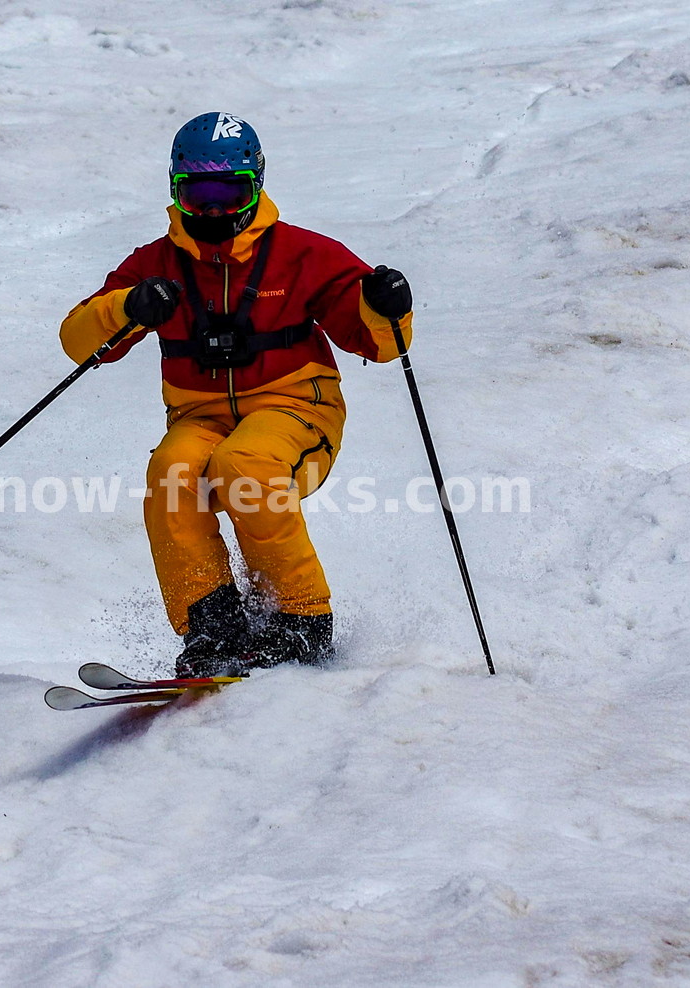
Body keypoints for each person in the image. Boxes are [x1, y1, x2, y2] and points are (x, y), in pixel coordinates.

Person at [60, 111, 413, 678]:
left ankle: (300, 622)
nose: (215, 209)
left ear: (257, 184)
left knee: (244, 463)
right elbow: (78, 342)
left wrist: (384, 305)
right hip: (199, 416)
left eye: (230, 192)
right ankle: (214, 629)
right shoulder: (156, 264)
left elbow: (382, 344)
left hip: (298, 411)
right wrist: (126, 307)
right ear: (176, 190)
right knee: (174, 471)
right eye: (198, 194)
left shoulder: (303, 254)